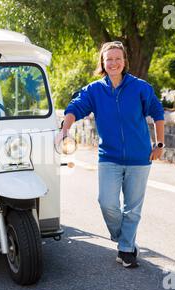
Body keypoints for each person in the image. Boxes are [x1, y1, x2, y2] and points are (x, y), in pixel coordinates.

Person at [58, 41, 165, 268]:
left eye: (118, 58)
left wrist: (160, 144)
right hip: (109, 157)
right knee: (107, 202)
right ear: (103, 63)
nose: (113, 63)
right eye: (109, 59)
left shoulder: (140, 87)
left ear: (124, 62)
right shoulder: (94, 90)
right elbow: (74, 108)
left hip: (139, 158)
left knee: (133, 208)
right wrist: (64, 130)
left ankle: (126, 250)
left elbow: (157, 112)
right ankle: (124, 238)